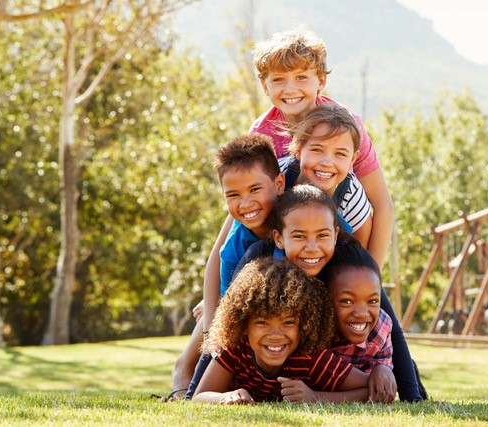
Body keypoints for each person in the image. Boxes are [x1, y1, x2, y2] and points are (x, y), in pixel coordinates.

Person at [198, 26, 395, 362]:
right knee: (234, 297)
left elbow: (383, 207)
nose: (290, 89)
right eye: (279, 80)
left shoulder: (344, 126)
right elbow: (245, 205)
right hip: (280, 237)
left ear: (321, 80)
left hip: (336, 236)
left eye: (302, 77)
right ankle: (191, 376)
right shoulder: (263, 131)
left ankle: (408, 385)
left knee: (374, 309)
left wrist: (367, 280)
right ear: (265, 85)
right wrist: (216, 284)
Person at [235, 185, 424, 402]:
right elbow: (230, 318)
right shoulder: (264, 264)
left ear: (335, 235)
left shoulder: (349, 273)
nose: (312, 248)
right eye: (299, 236)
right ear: (279, 238)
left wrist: (402, 387)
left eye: (322, 235)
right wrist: (196, 389)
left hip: (341, 369)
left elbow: (392, 329)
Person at [168, 133, 284, 400]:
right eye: (233, 195)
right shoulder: (233, 247)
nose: (245, 203)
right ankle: (188, 377)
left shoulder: (296, 219)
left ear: (279, 184)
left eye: (254, 190)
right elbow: (226, 311)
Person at [191, 257, 371, 403]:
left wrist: (315, 398)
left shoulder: (310, 358)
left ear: (304, 324)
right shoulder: (235, 350)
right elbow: (200, 397)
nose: (276, 335)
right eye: (262, 322)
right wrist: (224, 397)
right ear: (244, 325)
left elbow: (368, 389)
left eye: (288, 323)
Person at [280, 103, 372, 247]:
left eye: (340, 154)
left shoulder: (351, 196)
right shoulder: (279, 175)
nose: (327, 163)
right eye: (317, 150)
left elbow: (360, 258)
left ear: (352, 159)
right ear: (298, 149)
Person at [319, 239, 396, 403]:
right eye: (346, 301)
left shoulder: (381, 328)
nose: (362, 314)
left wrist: (382, 369)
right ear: (325, 298)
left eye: (373, 301)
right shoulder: (314, 330)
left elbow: (380, 391)